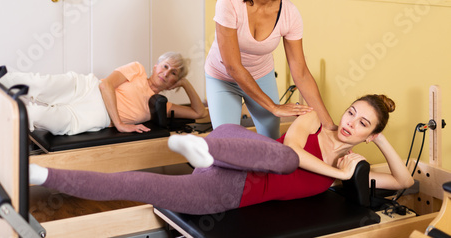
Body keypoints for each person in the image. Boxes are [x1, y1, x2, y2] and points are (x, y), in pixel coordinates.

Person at [29, 94, 414, 215]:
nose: (350, 123)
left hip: (227, 191)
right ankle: (201, 147)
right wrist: (340, 175)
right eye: (352, 112)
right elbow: (294, 150)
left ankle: (43, 176)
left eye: (363, 124)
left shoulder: (350, 165)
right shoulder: (313, 119)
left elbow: (404, 181)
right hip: (244, 151)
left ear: (370, 134)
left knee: (135, 185)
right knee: (284, 158)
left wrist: (379, 144)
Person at [205, 0, 334, 139]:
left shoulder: (290, 13)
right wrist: (274, 107)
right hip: (223, 78)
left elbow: (300, 72)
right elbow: (232, 66)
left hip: (260, 76)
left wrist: (328, 124)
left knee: (271, 141)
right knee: (226, 142)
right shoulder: (229, 2)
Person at [0, 52, 206, 135]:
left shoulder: (161, 106)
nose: (166, 73)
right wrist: (121, 123)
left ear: (175, 82)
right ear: (156, 66)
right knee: (38, 84)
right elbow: (106, 86)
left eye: (174, 73)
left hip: (95, 117)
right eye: (165, 66)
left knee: (39, 117)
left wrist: (186, 84)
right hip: (87, 88)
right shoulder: (136, 69)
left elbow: (198, 112)